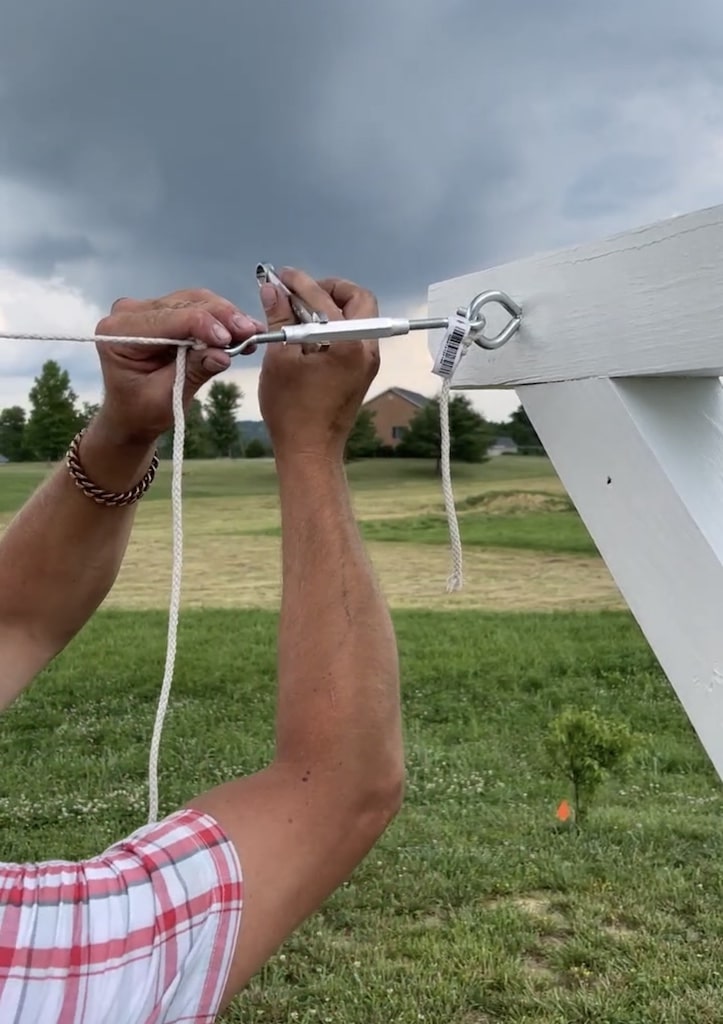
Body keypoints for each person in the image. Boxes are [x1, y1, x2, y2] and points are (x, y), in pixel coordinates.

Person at [0, 269, 405, 1023]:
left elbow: (11, 624)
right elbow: (336, 787)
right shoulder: (34, 975)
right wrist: (311, 445)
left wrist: (123, 433)